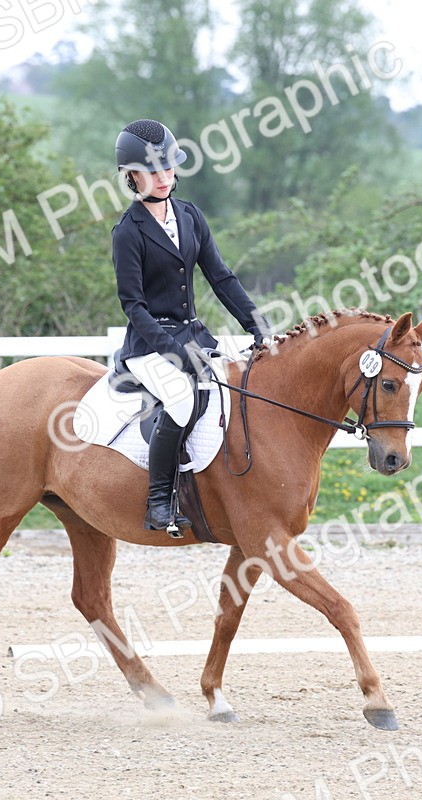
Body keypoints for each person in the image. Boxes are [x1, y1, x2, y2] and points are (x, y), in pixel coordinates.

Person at [110, 119, 269, 532]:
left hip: (193, 334)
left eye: (167, 169)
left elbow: (221, 276)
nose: (162, 178)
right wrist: (171, 350)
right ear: (132, 176)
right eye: (150, 172)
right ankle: (158, 500)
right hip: (149, 345)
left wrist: (258, 325)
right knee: (182, 399)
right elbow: (133, 305)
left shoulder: (190, 216)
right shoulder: (128, 232)